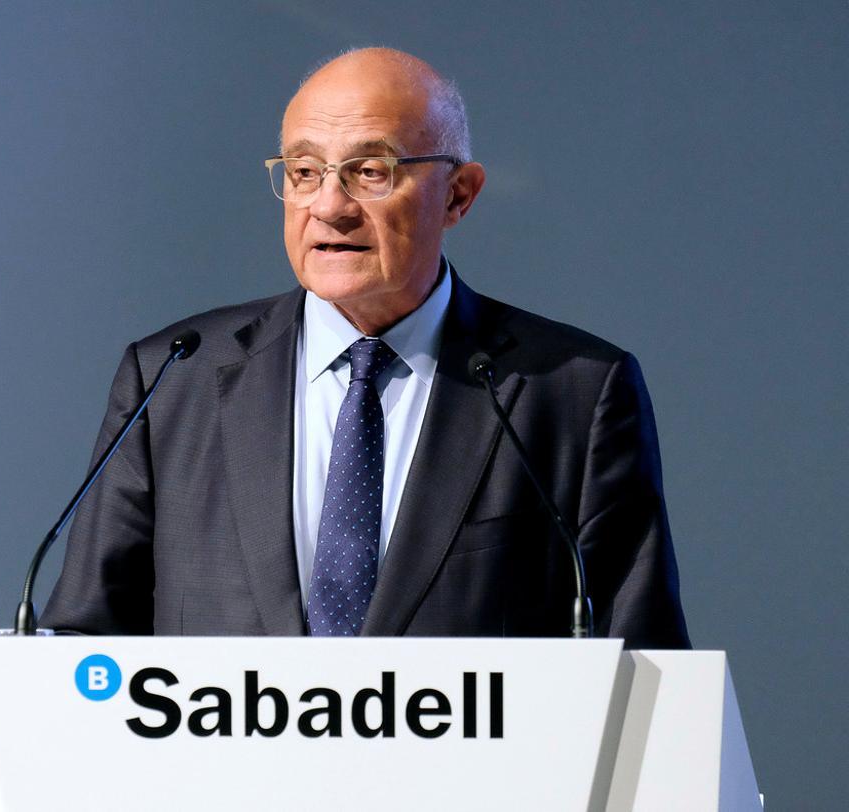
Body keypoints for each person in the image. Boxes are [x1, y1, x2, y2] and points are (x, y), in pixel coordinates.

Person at [42, 48, 690, 648]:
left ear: (458, 194)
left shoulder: (571, 392)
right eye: (302, 172)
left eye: (370, 172)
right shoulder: (174, 377)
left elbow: (643, 664)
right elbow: (82, 646)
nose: (329, 205)